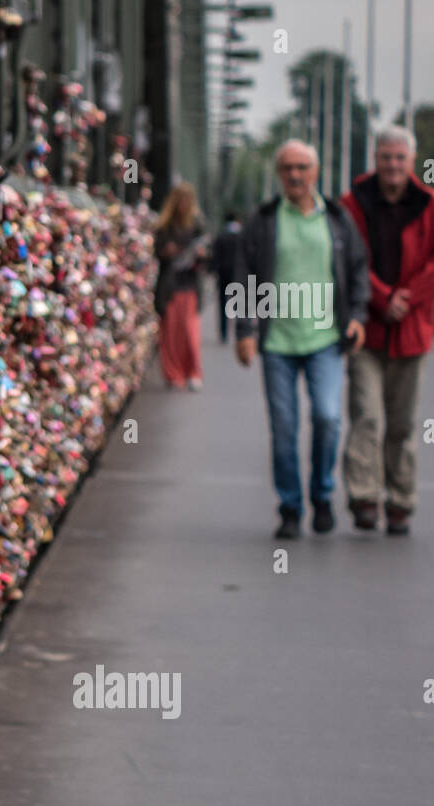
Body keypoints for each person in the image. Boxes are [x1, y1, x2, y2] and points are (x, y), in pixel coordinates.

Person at [233, 140, 368, 539]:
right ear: (279, 174)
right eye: (288, 167)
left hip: (326, 339)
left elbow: (359, 270)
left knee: (328, 418)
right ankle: (290, 507)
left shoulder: (339, 219)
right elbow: (246, 276)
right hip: (277, 343)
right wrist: (245, 330)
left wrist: (358, 317)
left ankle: (322, 495)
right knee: (285, 427)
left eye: (302, 167)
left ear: (316, 171)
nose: (295, 175)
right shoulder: (263, 220)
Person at [339, 126, 434, 535]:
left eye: (399, 158)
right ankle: (364, 495)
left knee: (403, 422)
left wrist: (407, 298)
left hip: (412, 329)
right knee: (366, 416)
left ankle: (401, 498)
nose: (392, 165)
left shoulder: (432, 205)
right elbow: (347, 258)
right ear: (375, 159)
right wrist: (382, 297)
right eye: (385, 157)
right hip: (366, 329)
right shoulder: (352, 205)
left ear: (412, 162)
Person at [153, 182, 208, 390]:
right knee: (170, 333)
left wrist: (201, 256)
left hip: (190, 285)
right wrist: (167, 251)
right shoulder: (165, 227)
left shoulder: (196, 225)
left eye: (187, 200)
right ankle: (174, 373)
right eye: (181, 200)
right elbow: (158, 253)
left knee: (190, 332)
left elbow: (205, 255)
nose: (184, 204)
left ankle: (192, 371)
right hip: (170, 287)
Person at [211, 211, 244, 343]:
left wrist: (212, 269)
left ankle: (224, 332)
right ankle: (239, 331)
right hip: (238, 275)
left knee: (223, 304)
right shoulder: (241, 236)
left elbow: (215, 256)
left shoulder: (221, 236)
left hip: (223, 273)